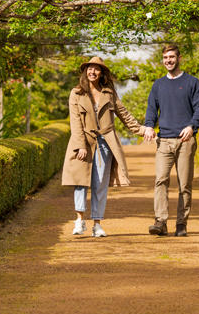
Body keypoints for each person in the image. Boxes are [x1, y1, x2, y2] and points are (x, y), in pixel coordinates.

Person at [63, 56, 153, 237]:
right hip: (83, 142)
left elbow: (124, 115)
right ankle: (79, 220)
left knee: (100, 183)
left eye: (97, 69)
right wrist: (80, 146)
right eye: (90, 68)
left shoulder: (109, 93)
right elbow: (75, 122)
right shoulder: (77, 93)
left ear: (102, 72)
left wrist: (142, 130)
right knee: (80, 182)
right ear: (85, 71)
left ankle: (97, 223)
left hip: (105, 142)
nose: (92, 72)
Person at [144, 44, 199, 237]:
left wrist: (192, 126)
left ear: (179, 58)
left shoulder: (192, 83)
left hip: (185, 140)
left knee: (184, 184)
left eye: (171, 57)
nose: (168, 60)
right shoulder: (158, 85)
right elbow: (152, 109)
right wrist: (148, 125)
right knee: (160, 180)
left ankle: (181, 223)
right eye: (165, 57)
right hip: (164, 141)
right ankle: (160, 221)